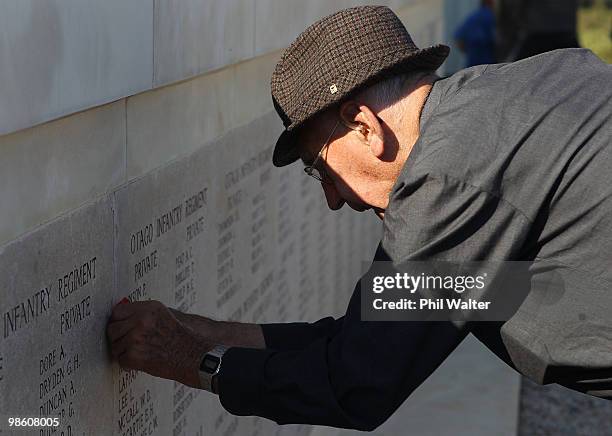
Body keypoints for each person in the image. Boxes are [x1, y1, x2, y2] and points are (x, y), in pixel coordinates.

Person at [107, 6, 612, 431]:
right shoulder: (507, 103)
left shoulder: (451, 176)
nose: (333, 198)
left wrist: (195, 361)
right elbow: (376, 327)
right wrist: (200, 332)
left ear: (364, 125)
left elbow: (357, 383)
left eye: (320, 168)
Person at [454, 0, 497, 67]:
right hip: (489, 63)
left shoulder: (472, 17)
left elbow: (459, 39)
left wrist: (469, 52)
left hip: (472, 63)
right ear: (490, 2)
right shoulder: (491, 17)